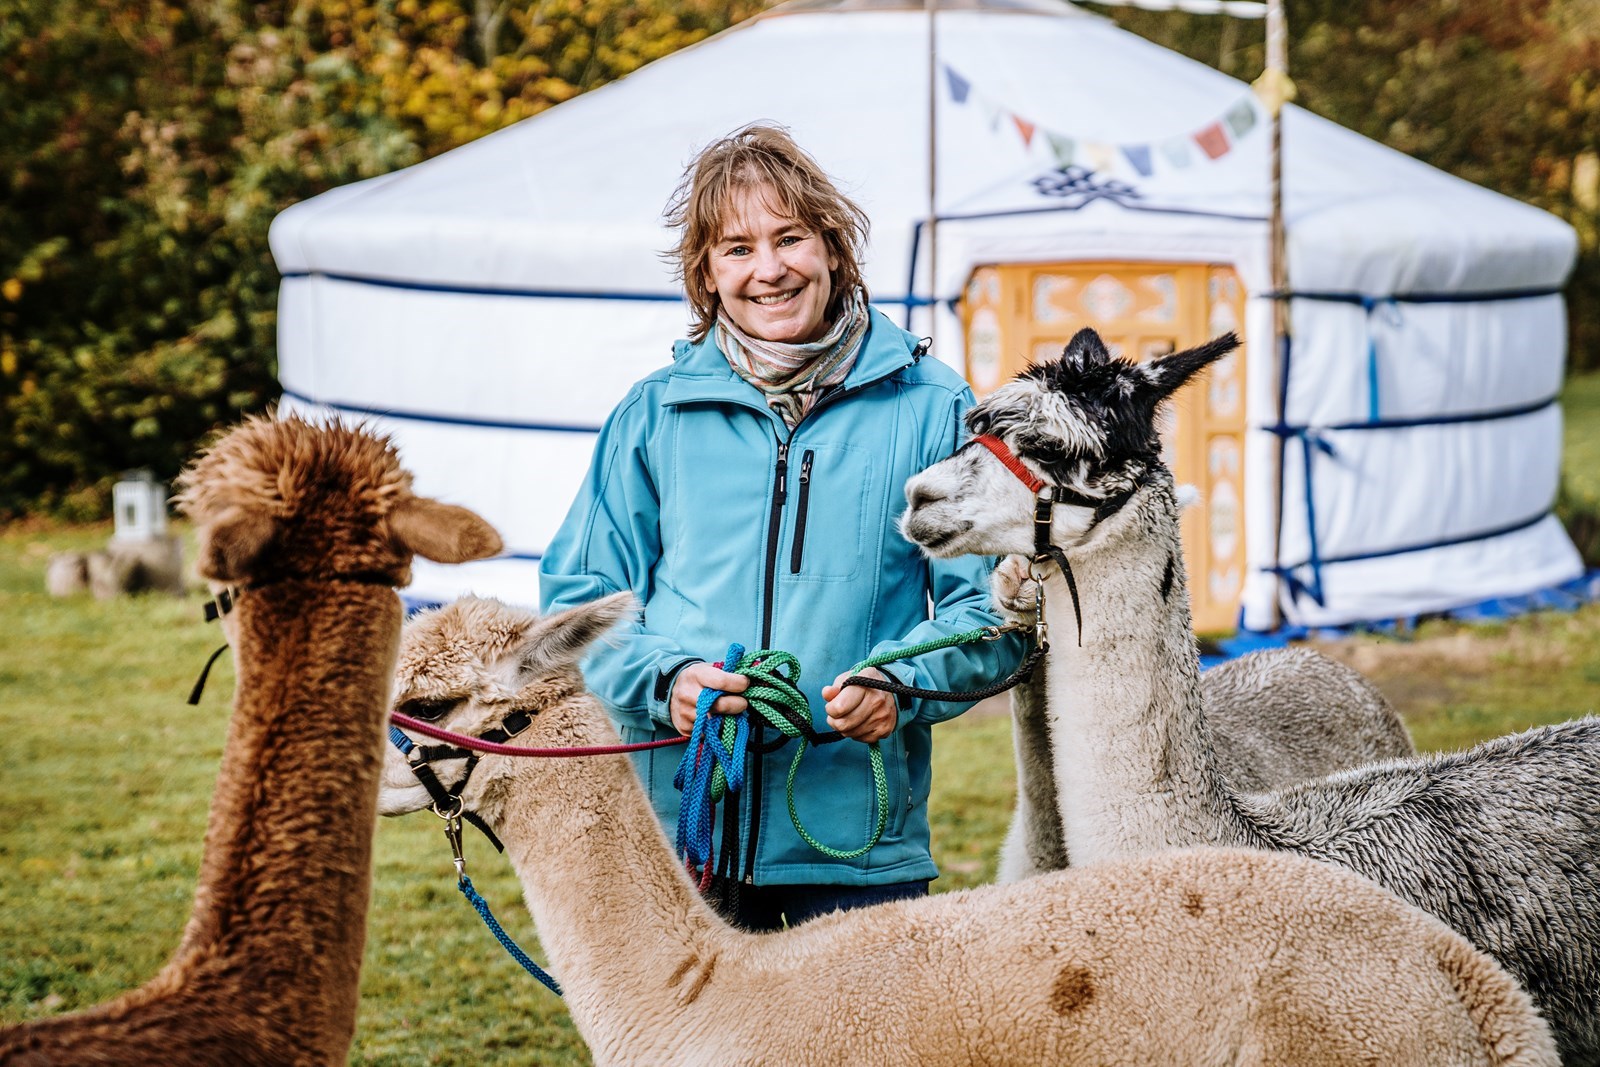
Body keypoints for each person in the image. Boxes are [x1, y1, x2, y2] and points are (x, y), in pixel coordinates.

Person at [539, 124, 1023, 931]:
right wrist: (667, 679)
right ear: (706, 273)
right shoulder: (654, 416)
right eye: (736, 248)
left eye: (790, 237)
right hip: (677, 834)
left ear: (833, 248)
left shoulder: (936, 408)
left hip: (854, 850)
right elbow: (581, 604)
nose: (768, 270)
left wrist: (901, 684)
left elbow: (997, 613)